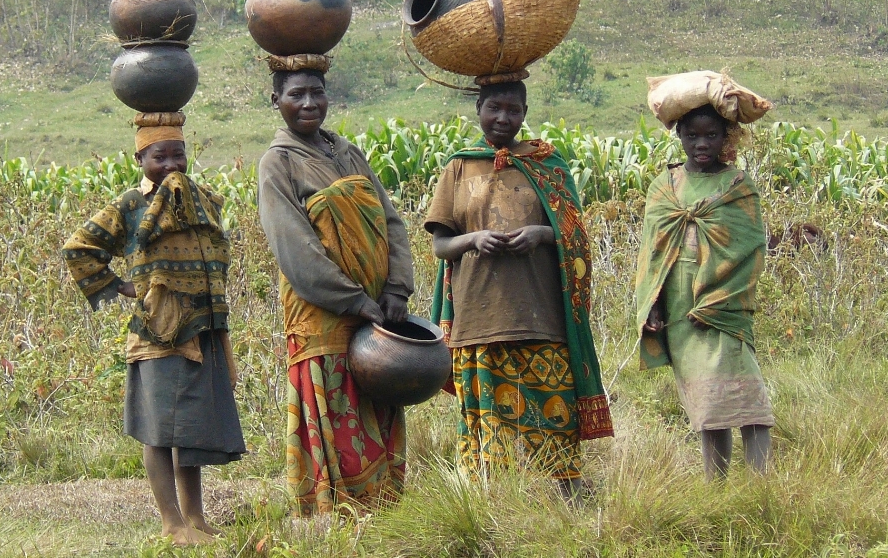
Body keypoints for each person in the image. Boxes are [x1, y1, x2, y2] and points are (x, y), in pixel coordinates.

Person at [424, 80, 613, 501]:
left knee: (556, 417)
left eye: (514, 109)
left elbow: (576, 235)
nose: (503, 118)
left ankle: (572, 502)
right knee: (487, 427)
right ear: (478, 107)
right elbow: (440, 245)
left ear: (525, 112)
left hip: (541, 318)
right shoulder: (459, 167)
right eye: (495, 107)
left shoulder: (548, 165)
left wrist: (543, 234)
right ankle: (491, 512)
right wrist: (473, 240)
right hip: (479, 319)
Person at [63, 114, 245, 546]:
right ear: (139, 157)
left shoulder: (201, 200)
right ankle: (170, 523)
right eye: (158, 156)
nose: (169, 164)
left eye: (177, 154)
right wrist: (122, 286)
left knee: (191, 428)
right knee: (160, 429)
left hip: (204, 330)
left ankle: (195, 519)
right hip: (158, 334)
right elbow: (80, 247)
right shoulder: (130, 205)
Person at [258, 68, 415, 517]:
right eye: (296, 94)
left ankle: (384, 513)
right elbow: (296, 249)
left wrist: (396, 290)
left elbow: (391, 223)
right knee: (336, 408)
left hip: (380, 314)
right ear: (276, 100)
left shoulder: (349, 152)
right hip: (324, 315)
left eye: (317, 92)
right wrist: (355, 301)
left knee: (377, 402)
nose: (309, 102)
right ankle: (341, 515)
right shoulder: (278, 163)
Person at [635, 101, 774, 479]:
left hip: (723, 306)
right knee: (707, 406)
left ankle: (763, 487)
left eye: (711, 135)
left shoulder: (738, 186)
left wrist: (718, 294)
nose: (701, 143)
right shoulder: (665, 186)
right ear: (678, 134)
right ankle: (716, 489)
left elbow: (749, 247)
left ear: (726, 137)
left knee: (748, 396)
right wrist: (652, 305)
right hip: (681, 309)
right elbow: (652, 253)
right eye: (692, 135)